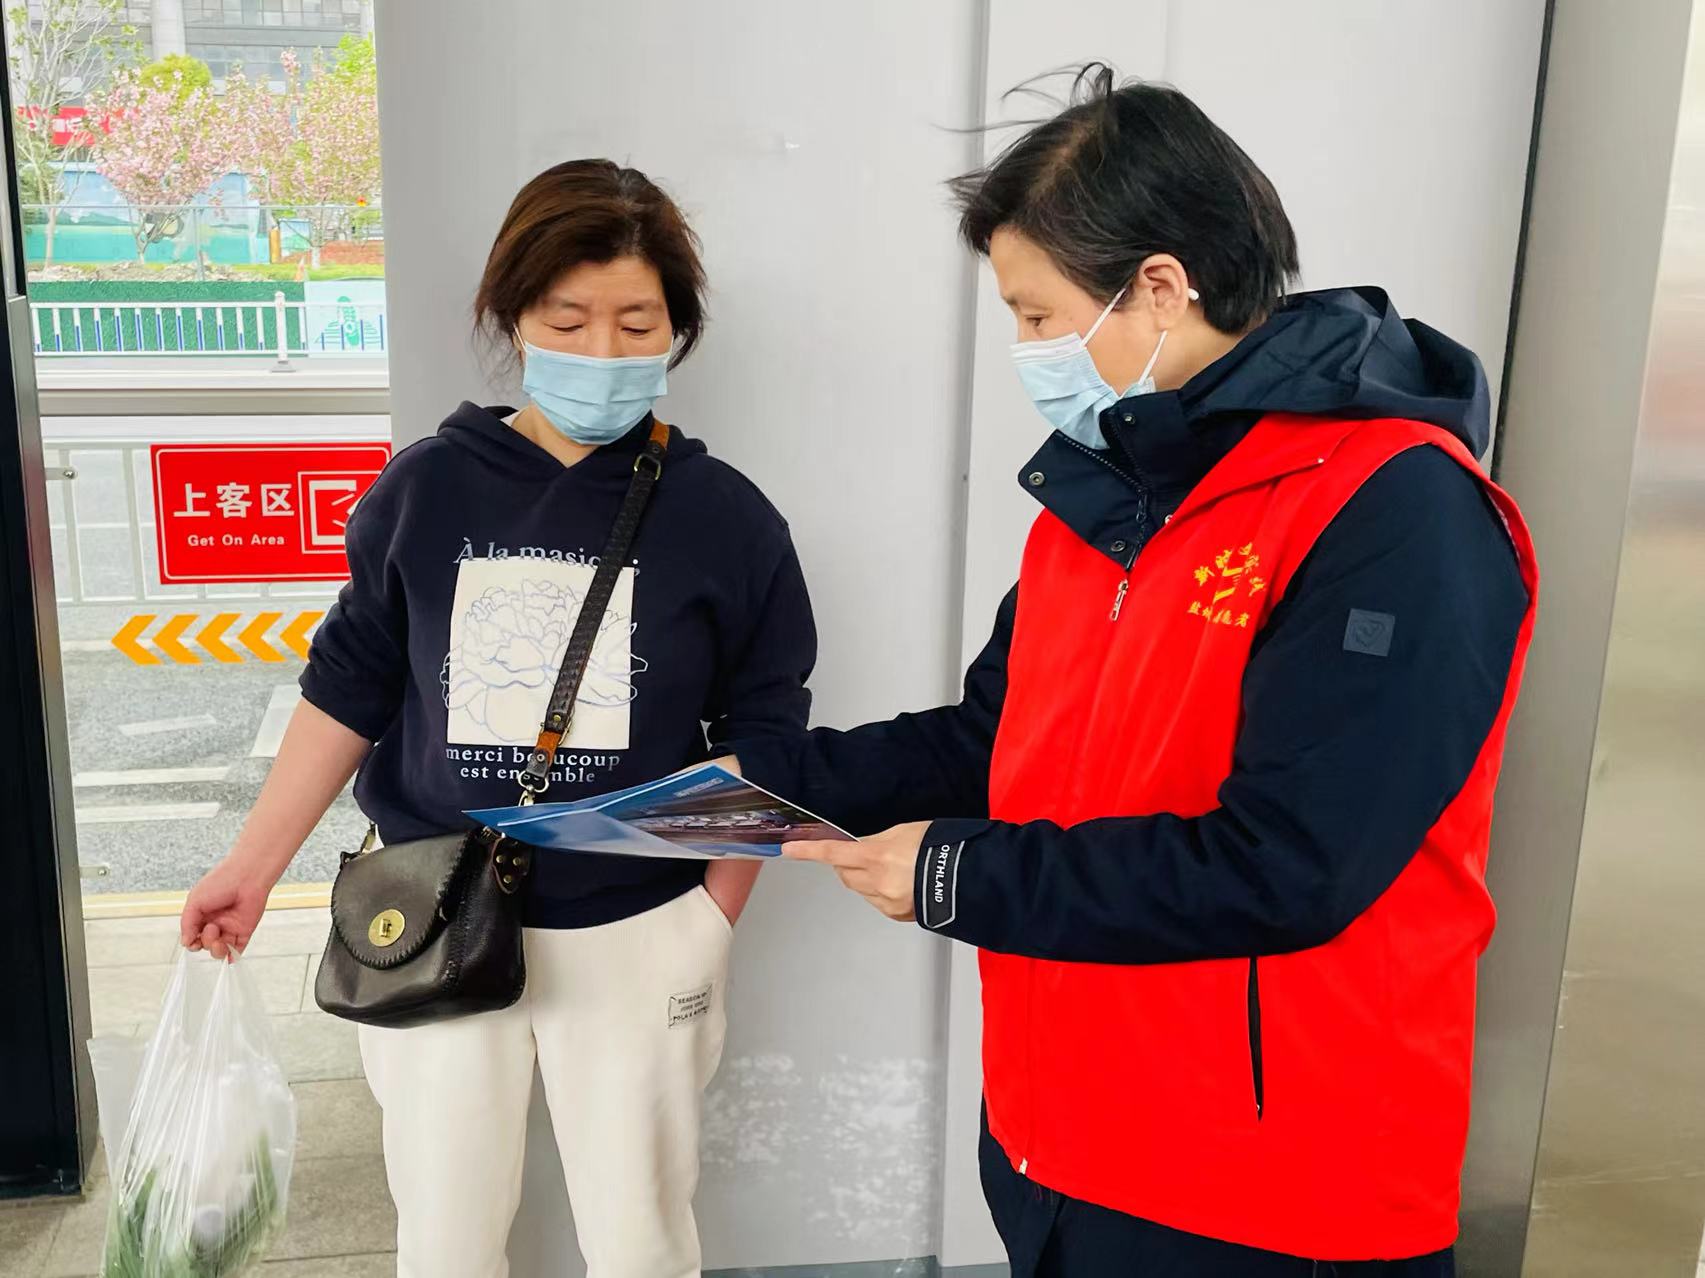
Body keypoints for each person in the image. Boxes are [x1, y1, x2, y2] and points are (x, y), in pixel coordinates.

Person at [745, 67, 1537, 1277]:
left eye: (1036, 313)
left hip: (1272, 1193)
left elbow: (1292, 863)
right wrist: (752, 780)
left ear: (1160, 287)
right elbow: (989, 740)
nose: (1026, 350)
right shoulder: (1102, 497)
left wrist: (956, 873)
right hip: (1060, 1150)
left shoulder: (1395, 510)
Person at [180, 160, 817, 1278]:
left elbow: (766, 729)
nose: (603, 350)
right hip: (433, 911)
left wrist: (710, 914)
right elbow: (350, 685)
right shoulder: (426, 490)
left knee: (641, 1238)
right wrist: (252, 866)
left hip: (639, 923)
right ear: (513, 314)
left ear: (676, 331)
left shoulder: (726, 518)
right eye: (568, 320)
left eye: (637, 323)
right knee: (446, 1235)